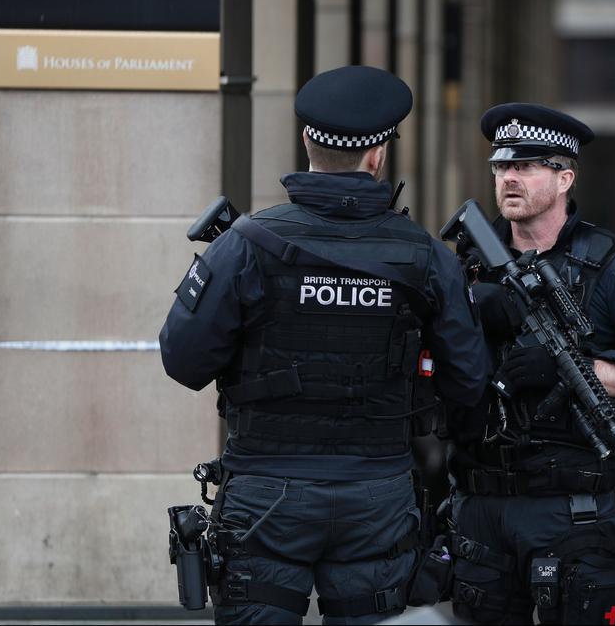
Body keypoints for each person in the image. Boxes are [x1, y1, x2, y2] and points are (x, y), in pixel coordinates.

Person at [159, 65, 489, 625]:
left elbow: (183, 360)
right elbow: (468, 381)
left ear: (307, 140)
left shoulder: (244, 246)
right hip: (377, 497)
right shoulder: (427, 257)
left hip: (265, 496)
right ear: (378, 154)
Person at [444, 102, 615, 625]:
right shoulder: (461, 264)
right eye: (501, 167)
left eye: (526, 166)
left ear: (564, 179)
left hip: (569, 510)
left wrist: (570, 368)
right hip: (479, 505)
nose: (508, 177)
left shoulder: (609, 265)